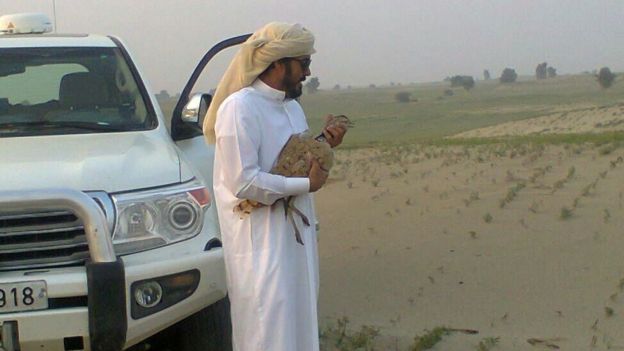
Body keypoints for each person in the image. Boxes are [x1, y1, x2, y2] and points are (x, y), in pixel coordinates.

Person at [203, 22, 347, 351]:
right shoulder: (239, 109)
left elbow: (290, 158)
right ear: (278, 63)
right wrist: (305, 184)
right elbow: (244, 180)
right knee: (267, 330)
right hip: (261, 246)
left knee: (299, 324)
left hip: (296, 241)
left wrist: (324, 145)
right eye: (304, 63)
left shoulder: (291, 107)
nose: (308, 72)